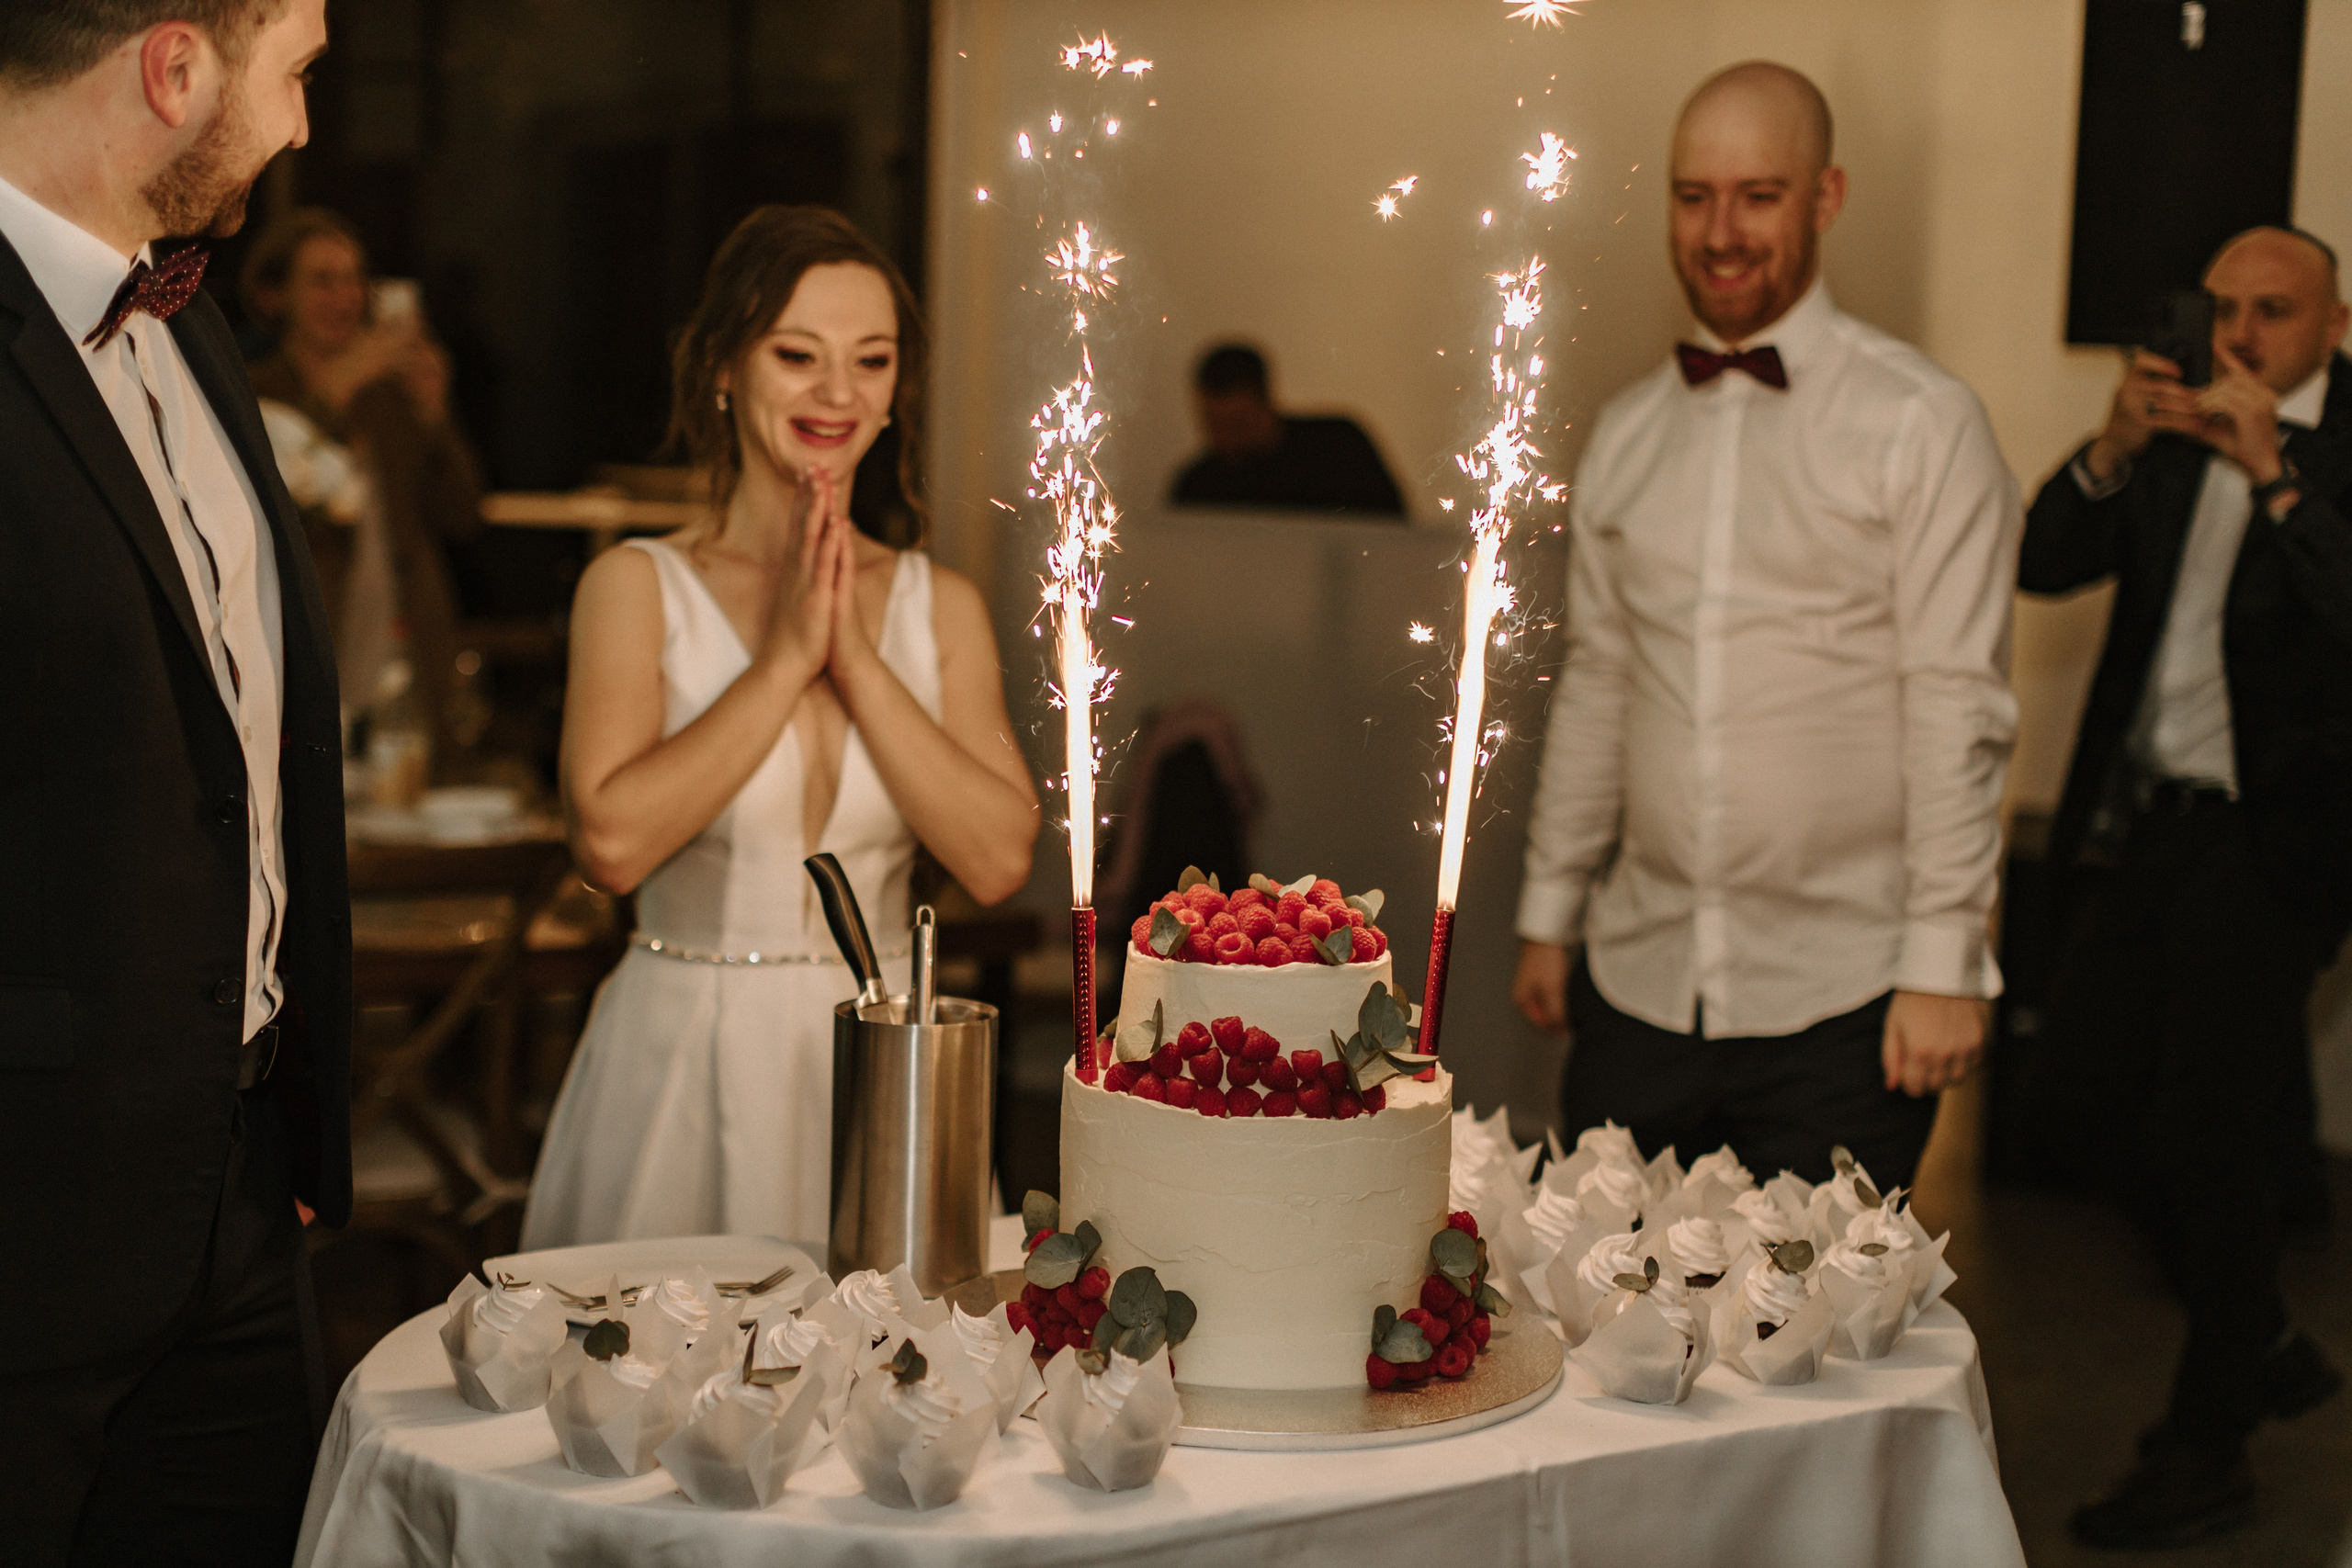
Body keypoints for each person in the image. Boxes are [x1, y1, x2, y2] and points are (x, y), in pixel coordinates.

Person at [1510, 62, 2019, 1193]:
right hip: (1637, 985)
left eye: (1759, 194)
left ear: (1826, 198)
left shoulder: (1922, 425)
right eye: (1693, 196)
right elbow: (1599, 679)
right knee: (1599, 1326)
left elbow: (1959, 703)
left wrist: (1946, 959)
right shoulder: (1629, 431)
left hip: (1844, 1002)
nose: (1720, 231)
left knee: (1812, 1353)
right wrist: (1551, 907)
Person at [0, 3, 349, 1563]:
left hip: (237, 1201)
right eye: (296, 74)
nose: (300, 127)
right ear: (175, 68)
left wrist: (278, 1128)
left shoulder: (192, 321)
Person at [521, 206, 1039, 1249]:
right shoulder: (636, 586)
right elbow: (610, 845)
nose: (837, 393)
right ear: (722, 366)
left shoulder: (938, 606)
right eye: (797, 355)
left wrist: (854, 660)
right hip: (679, 1055)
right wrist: (783, 663)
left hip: (890, 1073)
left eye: (872, 361)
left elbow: (995, 858)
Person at [2018, 226, 2351, 1550]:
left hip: (2277, 844)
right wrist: (2107, 448)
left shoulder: (2331, 447)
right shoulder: (2164, 433)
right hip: (2147, 821)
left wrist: (2277, 483)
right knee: (2067, 1102)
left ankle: (2206, 1439)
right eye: (2222, 308)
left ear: (2333, 325)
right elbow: (2044, 557)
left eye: (2271, 312)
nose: (2239, 336)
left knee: (2206, 1131)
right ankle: (2257, 1323)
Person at [242, 207, 484, 743]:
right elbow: (264, 509)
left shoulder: (392, 395)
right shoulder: (250, 390)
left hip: (406, 650)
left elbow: (462, 517)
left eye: (356, 280)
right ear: (273, 295)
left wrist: (435, 414)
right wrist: (332, 395)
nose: (346, 298)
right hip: (304, 644)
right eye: (323, 282)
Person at [1169, 342, 1406, 515]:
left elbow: (1390, 537)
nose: (1225, 440)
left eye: (1236, 424)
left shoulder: (1339, 450)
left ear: (1266, 404)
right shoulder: (1197, 485)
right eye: (1213, 425)